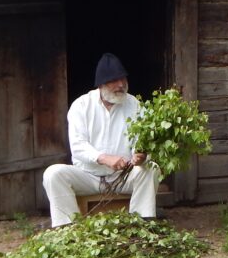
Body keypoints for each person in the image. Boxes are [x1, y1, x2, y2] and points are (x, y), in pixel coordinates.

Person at [42, 53, 160, 226]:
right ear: (101, 84)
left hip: (123, 176)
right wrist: (105, 158)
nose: (121, 85)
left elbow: (140, 141)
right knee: (53, 174)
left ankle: (141, 225)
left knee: (151, 168)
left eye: (123, 79)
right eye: (115, 80)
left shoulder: (134, 104)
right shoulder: (81, 106)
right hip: (88, 177)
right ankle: (68, 230)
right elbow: (78, 146)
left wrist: (139, 155)